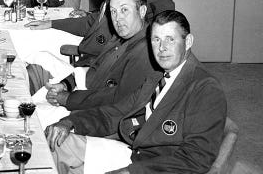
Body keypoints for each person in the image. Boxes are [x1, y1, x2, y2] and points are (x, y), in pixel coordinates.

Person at [46, 10, 227, 174]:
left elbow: (196, 160)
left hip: (152, 166)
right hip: (133, 149)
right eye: (156, 39)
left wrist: (132, 172)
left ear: (188, 42)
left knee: (60, 152)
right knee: (58, 141)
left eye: (170, 39)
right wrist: (70, 122)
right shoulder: (157, 76)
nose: (162, 48)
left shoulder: (206, 88)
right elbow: (116, 112)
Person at [34, 0, 160, 109]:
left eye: (124, 10)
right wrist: (66, 84)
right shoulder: (120, 37)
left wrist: (67, 99)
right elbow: (95, 67)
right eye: (113, 12)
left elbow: (115, 100)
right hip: (85, 93)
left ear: (142, 11)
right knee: (35, 68)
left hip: (97, 111)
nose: (118, 18)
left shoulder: (146, 51)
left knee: (32, 110)